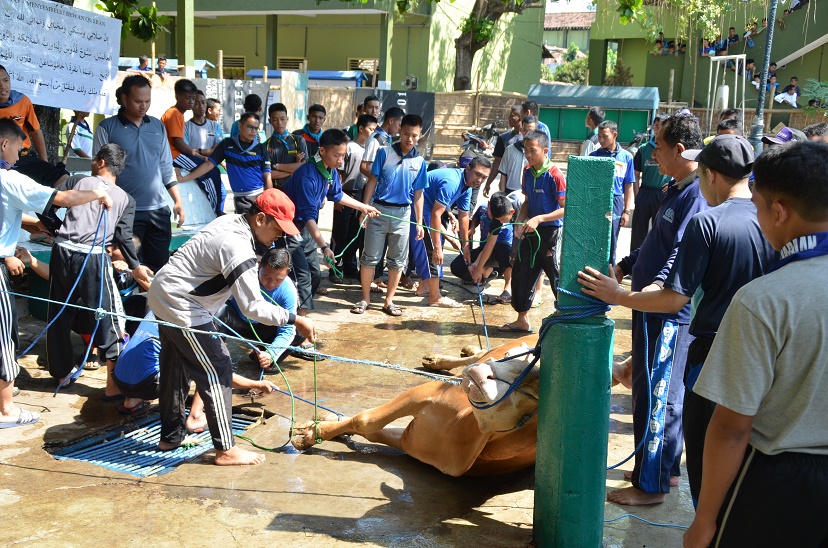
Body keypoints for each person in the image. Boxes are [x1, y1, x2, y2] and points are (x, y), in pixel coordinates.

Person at [578, 134, 778, 508]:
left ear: (712, 176)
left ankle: (651, 487)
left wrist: (617, 295)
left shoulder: (709, 222)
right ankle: (673, 481)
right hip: (752, 348)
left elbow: (674, 298)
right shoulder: (769, 220)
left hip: (706, 344)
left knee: (663, 403)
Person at [683, 141, 828, 548]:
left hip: (779, 481)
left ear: (779, 211)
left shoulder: (764, 299)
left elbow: (731, 426)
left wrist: (705, 520)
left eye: (759, 205)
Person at [147, 188, 315, 466]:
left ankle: (171, 436)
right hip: (182, 306)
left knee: (175, 367)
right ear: (260, 219)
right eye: (277, 228)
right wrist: (296, 319)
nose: (279, 236)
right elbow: (253, 307)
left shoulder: (228, 221)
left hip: (165, 293)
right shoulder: (238, 246)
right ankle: (226, 449)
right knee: (219, 368)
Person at [604, 113, 709, 505]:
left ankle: (651, 487)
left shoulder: (694, 195)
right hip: (651, 307)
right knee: (652, 388)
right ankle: (665, 467)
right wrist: (627, 265)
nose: (652, 155)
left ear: (680, 150)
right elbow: (655, 244)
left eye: (659, 147)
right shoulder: (675, 188)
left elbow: (677, 259)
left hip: (666, 313)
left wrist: (641, 292)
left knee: (659, 394)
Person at [0, 119, 116, 429]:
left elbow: (10, 211)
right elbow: (62, 200)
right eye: (18, 150)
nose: (18, 157)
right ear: (4, 145)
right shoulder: (8, 178)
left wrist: (32, 225)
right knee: (5, 338)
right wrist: (98, 194)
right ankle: (6, 410)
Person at [46, 144, 154, 393]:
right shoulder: (126, 199)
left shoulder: (76, 180)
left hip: (62, 251)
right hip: (93, 258)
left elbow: (46, 204)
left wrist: (54, 230)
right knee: (109, 316)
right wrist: (135, 266)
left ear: (101, 161)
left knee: (59, 313)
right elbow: (124, 237)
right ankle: (113, 386)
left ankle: (61, 374)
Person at [93, 74, 185, 274]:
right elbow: (99, 171)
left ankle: (151, 306)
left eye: (147, 101)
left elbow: (166, 166)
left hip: (158, 212)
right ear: (124, 99)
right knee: (127, 270)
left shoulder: (158, 126)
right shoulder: (107, 128)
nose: (143, 106)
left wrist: (177, 201)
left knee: (159, 271)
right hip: (125, 212)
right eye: (137, 101)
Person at [284, 129, 379, 316]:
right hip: (291, 229)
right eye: (336, 155)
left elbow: (337, 194)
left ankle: (298, 313)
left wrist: (363, 207)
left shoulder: (330, 170)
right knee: (302, 276)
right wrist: (325, 247)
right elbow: (308, 216)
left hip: (306, 230)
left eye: (343, 156)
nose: (340, 161)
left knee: (315, 274)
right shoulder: (307, 175)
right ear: (322, 151)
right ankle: (296, 320)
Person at [112, 310, 278, 417]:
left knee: (147, 354)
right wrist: (257, 384)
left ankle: (130, 401)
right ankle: (195, 416)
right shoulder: (190, 323)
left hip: (119, 379)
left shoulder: (158, 305)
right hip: (148, 385)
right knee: (204, 364)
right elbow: (218, 373)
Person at [352, 115, 427, 316]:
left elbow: (418, 194)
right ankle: (365, 298)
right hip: (378, 210)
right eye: (406, 134)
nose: (409, 139)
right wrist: (365, 209)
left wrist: (418, 223)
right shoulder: (384, 153)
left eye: (414, 135)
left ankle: (389, 301)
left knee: (397, 261)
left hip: (403, 214)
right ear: (400, 131)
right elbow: (372, 181)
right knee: (369, 258)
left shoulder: (420, 162)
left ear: (419, 136)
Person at [499, 130, 566, 333]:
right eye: (525, 150)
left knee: (555, 275)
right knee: (521, 272)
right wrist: (520, 221)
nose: (528, 154)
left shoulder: (555, 174)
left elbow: (566, 207)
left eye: (532, 150)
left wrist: (540, 218)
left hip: (551, 232)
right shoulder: (527, 171)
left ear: (545, 150)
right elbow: (527, 202)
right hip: (531, 230)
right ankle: (522, 319)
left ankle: (567, 318)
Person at [415, 157, 492, 309]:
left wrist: (465, 246)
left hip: (430, 208)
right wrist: (438, 248)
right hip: (419, 206)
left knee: (436, 246)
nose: (480, 180)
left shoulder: (467, 187)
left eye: (484, 177)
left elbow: (464, 216)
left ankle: (424, 287)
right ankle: (435, 297)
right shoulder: (452, 182)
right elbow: (436, 215)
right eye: (477, 174)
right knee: (433, 251)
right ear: (468, 168)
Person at [178, 112, 271, 214]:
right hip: (240, 198)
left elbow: (267, 176)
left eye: (256, 128)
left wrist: (269, 200)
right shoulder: (227, 144)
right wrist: (184, 178)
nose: (253, 131)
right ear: (240, 126)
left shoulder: (261, 149)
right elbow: (209, 164)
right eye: (250, 127)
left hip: (258, 196)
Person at [162, 79, 224, 216]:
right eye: (188, 98)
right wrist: (196, 154)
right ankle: (216, 211)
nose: (191, 101)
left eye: (193, 98)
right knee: (211, 171)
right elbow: (179, 143)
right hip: (175, 155)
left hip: (178, 154)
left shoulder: (178, 114)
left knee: (208, 167)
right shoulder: (174, 114)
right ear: (177, 97)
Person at [0, 65, 69, 187]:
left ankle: (52, 205)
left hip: (21, 158)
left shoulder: (22, 101)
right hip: (2, 161)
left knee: (62, 177)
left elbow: (36, 132)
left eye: (6, 80)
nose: (2, 86)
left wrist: (45, 163)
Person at [360, 106, 405, 288]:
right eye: (400, 125)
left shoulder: (389, 140)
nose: (400, 130)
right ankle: (368, 280)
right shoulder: (377, 139)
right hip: (375, 195)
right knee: (373, 243)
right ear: (391, 121)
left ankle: (377, 276)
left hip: (389, 197)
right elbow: (364, 166)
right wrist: (382, 174)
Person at [331, 114, 378, 280]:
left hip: (362, 194)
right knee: (339, 233)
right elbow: (339, 172)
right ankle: (335, 268)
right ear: (361, 128)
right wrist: (337, 197)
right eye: (371, 129)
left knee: (356, 233)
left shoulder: (371, 149)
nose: (373, 132)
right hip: (345, 192)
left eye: (375, 129)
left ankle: (350, 267)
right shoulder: (349, 147)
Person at [590, 120, 636, 265]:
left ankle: (610, 270)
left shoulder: (626, 157)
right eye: (599, 137)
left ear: (614, 134)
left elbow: (628, 185)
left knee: (612, 238)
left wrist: (626, 211)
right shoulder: (593, 157)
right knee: (594, 237)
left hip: (616, 201)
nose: (601, 140)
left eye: (605, 136)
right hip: (597, 200)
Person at [449, 191, 515, 291]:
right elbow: (476, 217)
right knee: (456, 266)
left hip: (498, 255)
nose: (494, 218)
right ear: (489, 204)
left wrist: (476, 265)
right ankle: (485, 274)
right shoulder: (483, 208)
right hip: (483, 249)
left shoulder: (502, 224)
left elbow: (490, 247)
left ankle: (505, 283)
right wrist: (472, 227)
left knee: (503, 248)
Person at [630, 114, 671, 252]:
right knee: (638, 231)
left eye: (662, 127)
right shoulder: (643, 149)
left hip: (663, 193)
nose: (658, 130)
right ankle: (633, 266)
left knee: (660, 230)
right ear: (653, 127)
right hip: (645, 192)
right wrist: (637, 195)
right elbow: (635, 173)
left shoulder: (670, 150)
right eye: (656, 126)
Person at [482, 104, 522, 198]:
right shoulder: (504, 138)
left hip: (525, 187)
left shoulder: (529, 138)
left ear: (521, 117)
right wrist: (488, 183)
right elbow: (497, 162)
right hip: (507, 186)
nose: (509, 118)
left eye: (512, 115)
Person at [266, 103, 307, 190]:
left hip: (297, 190)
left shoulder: (298, 140)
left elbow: (304, 167)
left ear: (287, 119)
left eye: (282, 119)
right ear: (270, 121)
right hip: (277, 192)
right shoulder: (266, 145)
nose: (279, 123)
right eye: (275, 119)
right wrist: (294, 168)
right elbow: (269, 174)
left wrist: (276, 166)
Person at [498, 116, 537, 194]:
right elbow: (503, 174)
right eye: (525, 130)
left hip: (530, 193)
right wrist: (502, 195)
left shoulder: (537, 152)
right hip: (510, 192)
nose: (528, 134)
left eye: (531, 131)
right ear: (521, 130)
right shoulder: (510, 149)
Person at [186, 91, 223, 160]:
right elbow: (186, 150)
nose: (201, 106)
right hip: (192, 167)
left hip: (211, 167)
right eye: (197, 103)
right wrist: (208, 152)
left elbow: (218, 150)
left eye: (203, 102)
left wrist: (198, 150)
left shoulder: (215, 126)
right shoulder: (186, 127)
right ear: (191, 105)